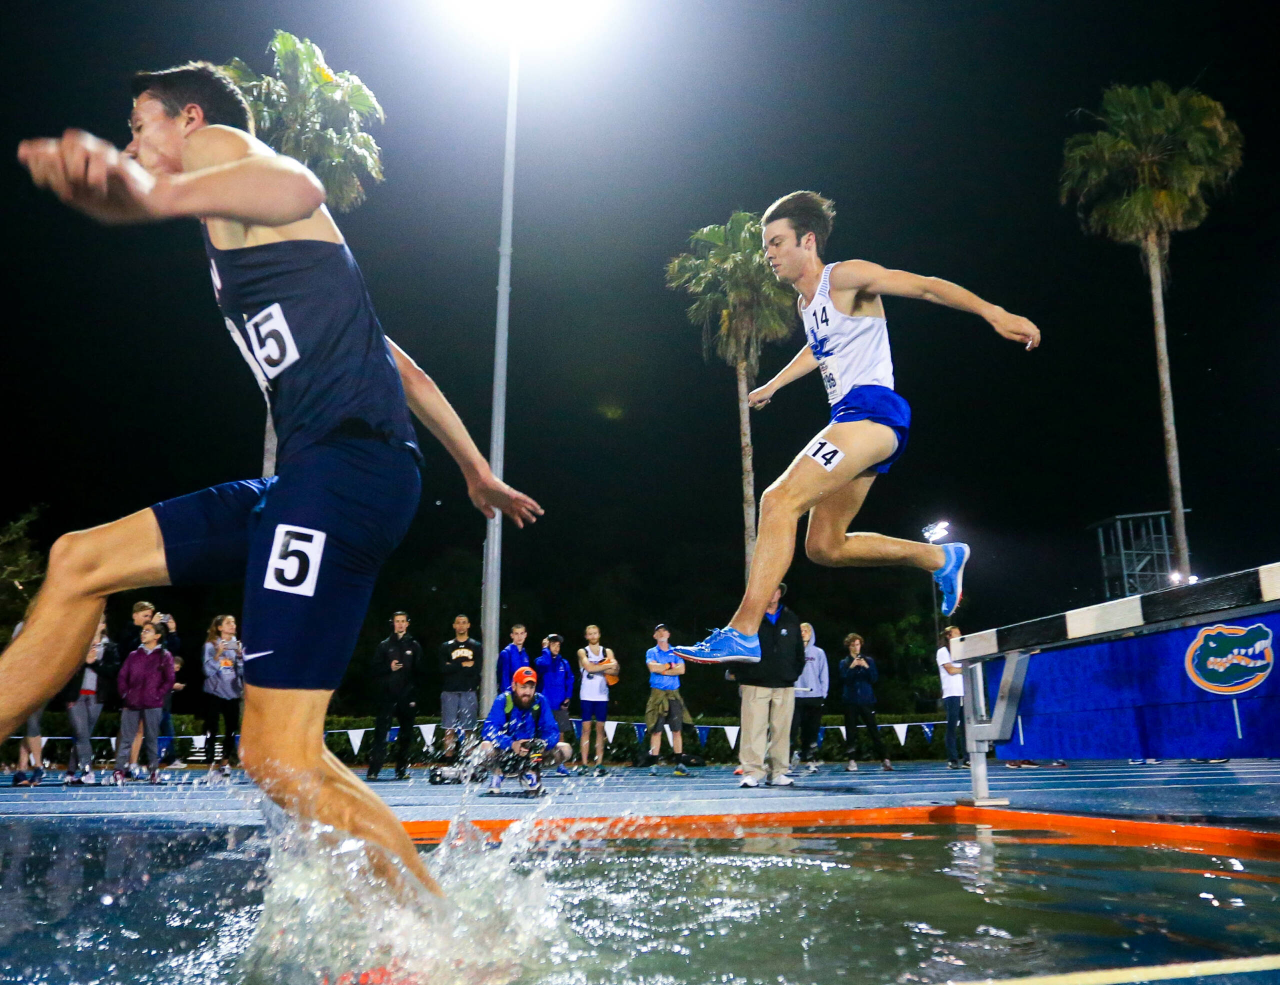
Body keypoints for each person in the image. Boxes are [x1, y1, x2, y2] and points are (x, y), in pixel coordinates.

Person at [7, 61, 541, 895]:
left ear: (188, 119)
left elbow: (299, 184)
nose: (131, 141)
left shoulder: (224, 159)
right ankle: (418, 909)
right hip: (315, 479)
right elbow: (400, 366)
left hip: (345, 474)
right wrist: (477, 471)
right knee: (80, 560)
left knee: (275, 755)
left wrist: (148, 196)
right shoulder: (244, 226)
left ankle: (447, 945)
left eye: (139, 123)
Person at [674, 191, 1039, 664]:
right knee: (824, 546)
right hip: (857, 423)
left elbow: (925, 286)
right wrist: (774, 386)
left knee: (777, 500)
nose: (770, 254)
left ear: (808, 241)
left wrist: (994, 312)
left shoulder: (843, 277)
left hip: (871, 411)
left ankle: (742, 631)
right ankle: (939, 558)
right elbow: (818, 349)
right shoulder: (807, 305)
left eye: (777, 243)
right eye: (766, 246)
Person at [730, 585, 805, 787]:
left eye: (776, 589)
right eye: (768, 587)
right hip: (755, 683)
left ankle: (777, 772)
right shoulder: (749, 615)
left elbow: (799, 650)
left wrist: (793, 673)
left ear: (780, 593)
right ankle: (752, 772)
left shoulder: (791, 618)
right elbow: (733, 645)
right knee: (753, 729)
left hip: (784, 683)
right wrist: (742, 675)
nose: (771, 592)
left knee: (781, 730)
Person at [479, 666, 573, 791]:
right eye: (523, 687)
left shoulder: (540, 701)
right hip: (507, 751)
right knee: (485, 747)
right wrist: (512, 744)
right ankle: (498, 773)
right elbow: (489, 730)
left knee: (565, 749)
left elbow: (552, 730)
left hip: (532, 752)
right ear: (514, 686)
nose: (527, 692)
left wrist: (542, 744)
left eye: (531, 687)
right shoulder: (503, 700)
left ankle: (531, 773)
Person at [114, 622, 175, 784]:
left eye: (147, 631)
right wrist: (126, 694)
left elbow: (169, 680)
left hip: (153, 704)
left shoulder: (165, 656)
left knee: (151, 739)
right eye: (143, 631)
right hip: (131, 703)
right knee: (127, 738)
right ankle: (119, 770)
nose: (143, 633)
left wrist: (157, 695)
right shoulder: (134, 655)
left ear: (157, 636)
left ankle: (153, 771)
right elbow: (122, 676)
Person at [58, 615, 115, 784]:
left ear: (103, 625)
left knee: (84, 735)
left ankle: (70, 771)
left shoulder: (109, 646)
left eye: (98, 621)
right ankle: (87, 771)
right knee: (82, 734)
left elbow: (112, 671)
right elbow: (66, 668)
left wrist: (95, 662)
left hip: (96, 696)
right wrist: (84, 660)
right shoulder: (78, 643)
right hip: (76, 696)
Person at [642, 624, 691, 776]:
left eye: (664, 630)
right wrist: (671, 666)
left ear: (669, 634)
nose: (661, 633)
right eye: (658, 631)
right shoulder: (651, 652)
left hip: (673, 694)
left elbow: (681, 670)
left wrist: (662, 668)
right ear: (654, 636)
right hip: (658, 695)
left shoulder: (676, 651)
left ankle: (679, 763)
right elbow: (652, 668)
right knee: (656, 730)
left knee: (677, 729)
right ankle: (654, 764)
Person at [839, 633, 891, 772]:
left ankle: (885, 759)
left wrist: (866, 666)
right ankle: (852, 761)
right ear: (849, 646)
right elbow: (844, 679)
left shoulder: (869, 660)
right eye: (853, 645)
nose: (856, 647)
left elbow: (874, 678)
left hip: (866, 700)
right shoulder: (844, 662)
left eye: (858, 644)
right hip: (850, 701)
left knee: (873, 730)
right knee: (851, 732)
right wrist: (852, 667)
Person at [202, 614, 243, 775]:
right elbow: (207, 670)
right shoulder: (210, 645)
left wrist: (239, 656)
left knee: (232, 729)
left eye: (233, 622)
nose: (233, 625)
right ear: (220, 628)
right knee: (211, 728)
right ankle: (210, 763)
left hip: (232, 693)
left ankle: (225, 761)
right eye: (228, 623)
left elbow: (242, 672)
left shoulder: (237, 646)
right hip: (214, 693)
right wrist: (218, 654)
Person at [435, 613, 479, 764]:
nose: (461, 625)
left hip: (469, 691)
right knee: (449, 729)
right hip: (449, 691)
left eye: (464, 622)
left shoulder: (476, 646)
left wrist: (452, 666)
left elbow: (476, 669)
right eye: (458, 623)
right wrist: (462, 665)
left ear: (468, 625)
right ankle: (449, 759)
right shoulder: (446, 646)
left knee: (469, 729)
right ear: (454, 626)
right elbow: (442, 669)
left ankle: (469, 759)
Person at [577, 624, 618, 776]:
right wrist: (605, 666)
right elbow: (589, 668)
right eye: (590, 634)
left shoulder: (607, 651)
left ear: (599, 635)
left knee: (600, 730)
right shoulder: (583, 651)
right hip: (586, 695)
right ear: (586, 636)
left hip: (602, 696)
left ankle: (599, 763)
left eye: (595, 633)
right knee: (586, 730)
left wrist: (599, 666)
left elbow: (616, 670)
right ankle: (584, 764)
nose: (593, 636)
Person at [534, 634, 577, 775]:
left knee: (560, 734)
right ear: (547, 645)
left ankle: (560, 764)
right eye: (553, 644)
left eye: (558, 645)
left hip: (559, 705)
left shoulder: (564, 663)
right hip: (544, 705)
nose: (556, 648)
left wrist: (568, 697)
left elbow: (570, 680)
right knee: (540, 734)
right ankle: (536, 763)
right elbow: (545, 664)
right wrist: (545, 649)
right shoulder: (540, 660)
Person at [793, 622, 829, 768]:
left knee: (812, 730)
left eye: (806, 630)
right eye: (800, 630)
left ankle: (810, 759)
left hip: (814, 697)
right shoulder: (792, 651)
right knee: (792, 729)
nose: (803, 633)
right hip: (795, 696)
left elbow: (824, 674)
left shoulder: (819, 653)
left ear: (811, 633)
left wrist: (823, 694)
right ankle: (788, 759)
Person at [937, 625, 968, 769]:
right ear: (949, 636)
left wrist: (961, 669)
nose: (959, 635)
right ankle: (953, 759)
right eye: (957, 633)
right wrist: (964, 669)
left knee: (966, 727)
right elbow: (950, 669)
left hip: (963, 691)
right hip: (951, 693)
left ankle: (968, 758)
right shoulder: (943, 651)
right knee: (952, 726)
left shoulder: (961, 651)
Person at [496, 624, 531, 694]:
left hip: (522, 695)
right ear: (512, 635)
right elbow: (503, 678)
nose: (519, 637)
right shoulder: (506, 653)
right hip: (511, 695)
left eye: (522, 633)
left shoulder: (525, 655)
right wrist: (507, 695)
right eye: (516, 634)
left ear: (525, 635)